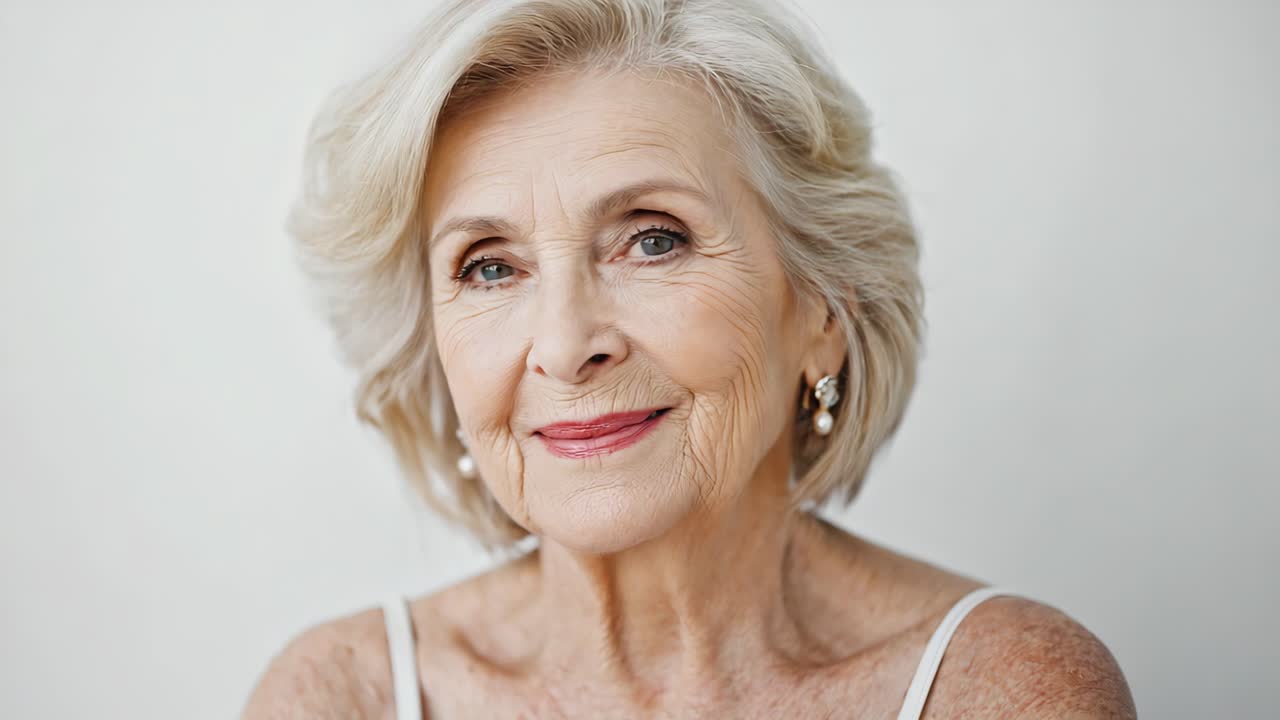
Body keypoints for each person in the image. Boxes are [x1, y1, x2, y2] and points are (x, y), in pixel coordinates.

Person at [244, 0, 1135, 717]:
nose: (564, 345)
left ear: (821, 310)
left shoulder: (999, 689)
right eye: (490, 266)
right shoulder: (342, 696)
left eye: (653, 241)